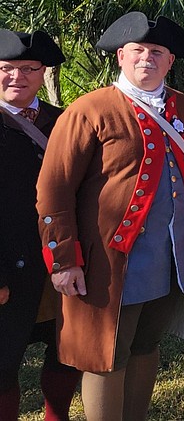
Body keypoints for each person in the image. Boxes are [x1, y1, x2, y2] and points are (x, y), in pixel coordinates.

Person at [37, 12, 184, 420]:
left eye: (157, 51)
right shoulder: (89, 109)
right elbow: (54, 189)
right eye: (138, 50)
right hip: (108, 263)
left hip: (168, 259)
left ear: (170, 61)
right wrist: (63, 261)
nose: (147, 58)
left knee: (145, 346)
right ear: (121, 57)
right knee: (106, 355)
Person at [0, 29, 80, 421]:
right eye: (7, 68)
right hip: (8, 265)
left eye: (30, 68)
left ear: (43, 72)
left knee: (66, 351)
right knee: (3, 363)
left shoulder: (64, 121)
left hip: (61, 259)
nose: (18, 77)